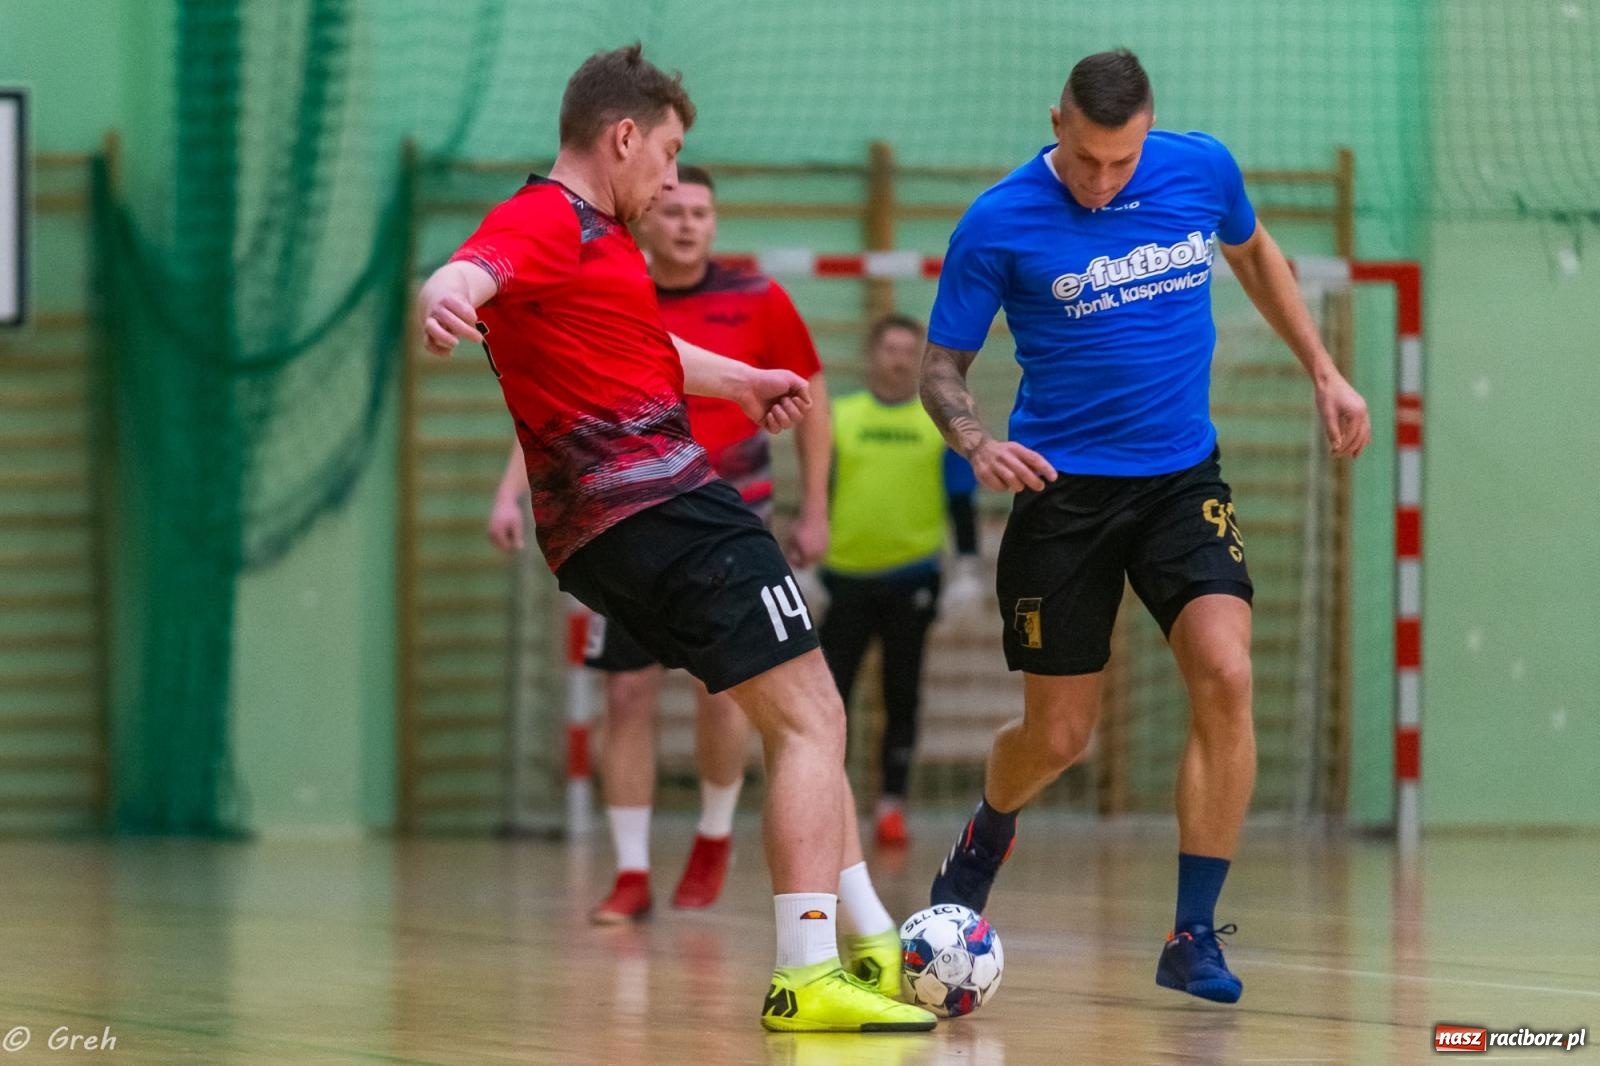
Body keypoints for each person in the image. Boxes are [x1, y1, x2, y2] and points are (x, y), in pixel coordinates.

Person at [421, 45, 931, 1032]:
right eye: (667, 152)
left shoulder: (603, 245)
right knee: (812, 719)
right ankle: (808, 970)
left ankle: (861, 936)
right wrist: (443, 296)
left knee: (793, 716)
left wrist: (742, 382)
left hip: (607, 540)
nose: (670, 176)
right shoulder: (549, 217)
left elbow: (643, 351)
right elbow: (468, 268)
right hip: (667, 512)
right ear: (621, 138)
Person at [917, 49, 1371, 1005]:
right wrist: (973, 439)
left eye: (1121, 162)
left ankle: (1192, 934)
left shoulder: (1201, 168)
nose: (1103, 180)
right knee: (1060, 739)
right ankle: (985, 833)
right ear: (1056, 124)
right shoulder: (997, 222)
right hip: (1063, 497)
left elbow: (1252, 251)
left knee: (1228, 671)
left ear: (1149, 133)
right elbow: (940, 367)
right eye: (1086, 160)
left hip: (1179, 482)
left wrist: (1323, 369)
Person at [487, 163, 833, 924]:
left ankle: (714, 835)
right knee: (626, 691)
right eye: (671, 206)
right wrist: (508, 492)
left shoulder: (755, 297)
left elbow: (808, 399)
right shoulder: (608, 283)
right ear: (647, 214)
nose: (684, 221)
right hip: (622, 518)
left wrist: (814, 507)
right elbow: (552, 398)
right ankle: (633, 869)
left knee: (737, 696)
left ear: (714, 223)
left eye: (699, 211)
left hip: (723, 513)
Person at [815, 312, 981, 849]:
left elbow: (962, 500)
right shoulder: (840, 417)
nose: (900, 358)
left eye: (909, 349)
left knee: (902, 694)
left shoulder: (938, 425)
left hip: (913, 574)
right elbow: (818, 493)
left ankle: (891, 806)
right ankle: (824, 802)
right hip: (843, 578)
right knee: (829, 697)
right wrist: (804, 563)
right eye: (890, 348)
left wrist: (969, 569)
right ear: (872, 354)